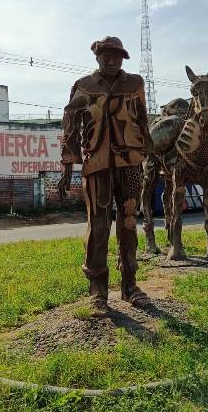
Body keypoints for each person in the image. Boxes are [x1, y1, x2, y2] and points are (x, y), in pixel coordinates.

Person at [57, 36, 154, 312]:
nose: (112, 60)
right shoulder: (84, 87)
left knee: (128, 222)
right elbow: (70, 127)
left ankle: (130, 285)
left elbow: (143, 120)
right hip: (97, 164)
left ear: (123, 58)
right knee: (98, 226)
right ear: (97, 57)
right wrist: (67, 165)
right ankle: (98, 290)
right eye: (106, 55)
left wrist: (149, 152)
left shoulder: (134, 84)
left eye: (117, 56)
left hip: (130, 162)